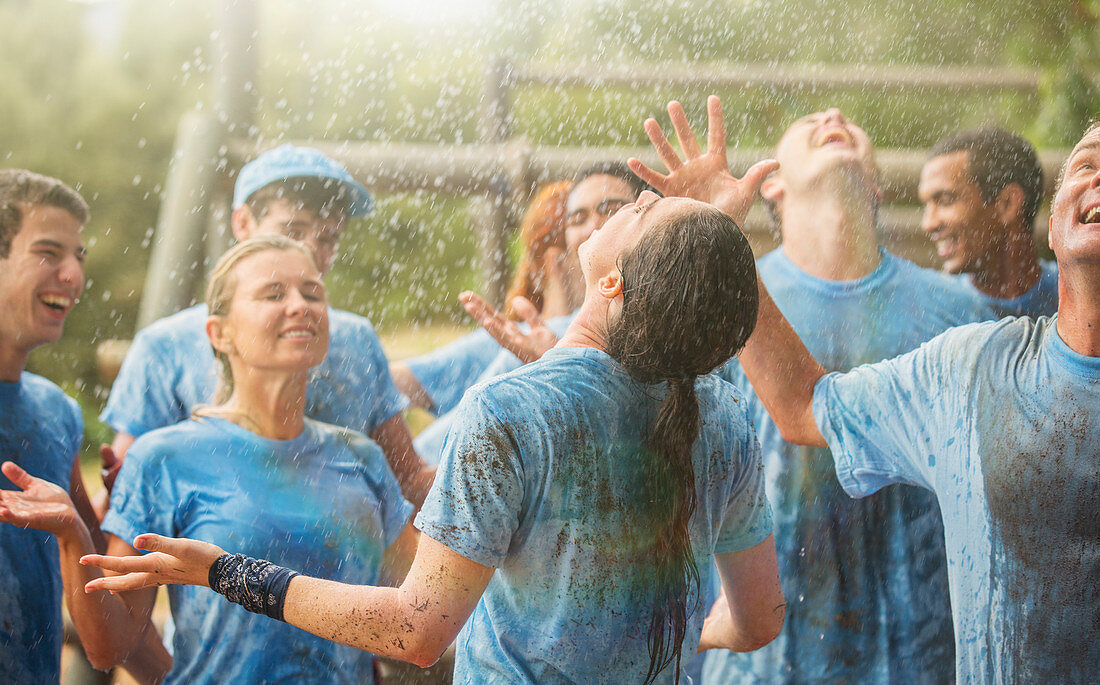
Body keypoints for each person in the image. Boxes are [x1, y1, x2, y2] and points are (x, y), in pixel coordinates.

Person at [82, 187, 787, 683]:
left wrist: (225, 570)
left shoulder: (514, 409)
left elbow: (414, 632)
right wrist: (663, 627)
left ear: (614, 287)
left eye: (644, 213)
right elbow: (758, 620)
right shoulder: (724, 421)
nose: (638, 197)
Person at [636, 98, 1100, 681]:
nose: (830, 115)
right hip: (768, 665)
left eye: (848, 123)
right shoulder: (719, 306)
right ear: (771, 187)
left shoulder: (966, 319)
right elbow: (695, 457)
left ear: (877, 186)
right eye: (808, 124)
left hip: (921, 661)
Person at [0, 236, 416, 683]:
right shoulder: (164, 459)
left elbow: (423, 610)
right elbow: (109, 647)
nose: (300, 305)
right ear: (220, 333)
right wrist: (73, 536)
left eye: (313, 293)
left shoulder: (363, 460)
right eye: (274, 294)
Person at [100, 145, 432, 505]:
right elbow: (126, 493)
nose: (309, 251)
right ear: (243, 223)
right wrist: (122, 488)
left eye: (328, 239)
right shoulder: (166, 345)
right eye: (293, 230)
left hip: (345, 546)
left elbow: (408, 476)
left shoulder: (356, 340)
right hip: (214, 552)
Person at [408, 164, 648, 464]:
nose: (593, 228)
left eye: (610, 209)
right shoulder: (527, 339)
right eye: (577, 218)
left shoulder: (547, 336)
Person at [0, 169, 106, 683]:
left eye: (78, 257)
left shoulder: (56, 410)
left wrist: (129, 500)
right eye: (49, 252)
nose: (73, 276)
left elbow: (90, 557)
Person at [389, 180, 574, 413]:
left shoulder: (503, 340)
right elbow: (394, 380)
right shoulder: (498, 342)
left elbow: (391, 381)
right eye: (579, 221)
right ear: (554, 261)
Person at [919, 128, 1058, 317]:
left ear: (1007, 204)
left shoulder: (1083, 292)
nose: (928, 224)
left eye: (945, 200)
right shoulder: (933, 312)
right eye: (926, 205)